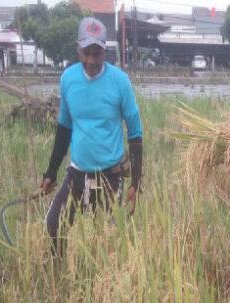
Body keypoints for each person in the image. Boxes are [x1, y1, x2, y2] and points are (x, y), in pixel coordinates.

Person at [40, 17, 143, 254]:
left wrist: (135, 183)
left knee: (106, 240)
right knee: (54, 224)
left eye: (97, 53)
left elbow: (135, 134)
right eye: (86, 52)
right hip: (77, 173)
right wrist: (51, 171)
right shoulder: (68, 79)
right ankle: (61, 270)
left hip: (110, 176)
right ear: (78, 48)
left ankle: (104, 284)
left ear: (105, 51)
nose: (91, 60)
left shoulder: (120, 81)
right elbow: (64, 128)